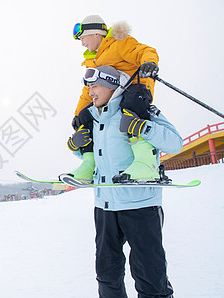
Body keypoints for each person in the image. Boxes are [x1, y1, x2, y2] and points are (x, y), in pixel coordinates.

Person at [69, 65, 182, 298]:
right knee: (107, 275)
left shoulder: (139, 109)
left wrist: (144, 127)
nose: (90, 92)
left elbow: (175, 143)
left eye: (95, 86)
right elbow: (99, 159)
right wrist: (76, 147)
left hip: (140, 206)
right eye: (88, 87)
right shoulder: (92, 116)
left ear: (111, 86)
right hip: (105, 208)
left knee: (150, 277)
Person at [68, 15, 160, 182]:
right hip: (111, 97)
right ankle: (89, 164)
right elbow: (87, 90)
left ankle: (147, 161)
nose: (82, 43)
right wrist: (77, 113)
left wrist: (149, 63)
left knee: (130, 102)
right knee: (85, 115)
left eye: (83, 38)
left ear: (95, 33)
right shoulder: (92, 60)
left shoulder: (118, 43)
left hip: (135, 90)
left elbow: (145, 51)